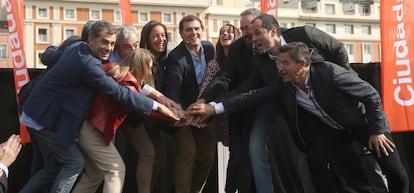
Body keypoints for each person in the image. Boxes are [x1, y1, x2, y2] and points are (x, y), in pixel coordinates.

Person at [189, 41, 410, 193]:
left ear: (302, 65)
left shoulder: (330, 73)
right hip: (336, 130)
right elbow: (252, 96)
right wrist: (214, 108)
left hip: (364, 124)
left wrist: (377, 130)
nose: (280, 68)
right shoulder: (284, 85)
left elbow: (370, 94)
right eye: (278, 63)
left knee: (395, 172)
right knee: (315, 159)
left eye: (285, 63)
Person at [18, 20, 177, 193]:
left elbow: (124, 83)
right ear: (91, 40)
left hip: (43, 114)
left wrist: (158, 97)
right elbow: (118, 91)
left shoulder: (79, 49)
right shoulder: (89, 63)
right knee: (78, 164)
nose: (109, 48)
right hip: (45, 118)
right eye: (104, 42)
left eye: (112, 43)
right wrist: (158, 106)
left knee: (58, 167)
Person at [72, 48, 180, 193]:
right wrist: (174, 118)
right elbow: (144, 110)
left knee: (95, 173)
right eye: (150, 65)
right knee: (115, 170)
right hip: (92, 128)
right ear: (142, 65)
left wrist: (168, 109)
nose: (152, 70)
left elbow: (141, 89)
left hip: (86, 124)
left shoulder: (116, 71)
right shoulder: (127, 82)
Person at [197, 8, 261, 193]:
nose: (247, 33)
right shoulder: (237, 48)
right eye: (243, 29)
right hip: (237, 111)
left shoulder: (272, 48)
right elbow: (223, 77)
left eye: (249, 27)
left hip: (262, 111)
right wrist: (203, 100)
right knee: (237, 158)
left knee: (256, 158)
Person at [163, 15, 215, 193]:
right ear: (181, 33)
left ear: (202, 29)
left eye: (196, 28)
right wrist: (183, 115)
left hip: (203, 113)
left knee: (207, 157)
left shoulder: (209, 48)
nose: (194, 32)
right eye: (188, 29)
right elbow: (172, 89)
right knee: (188, 154)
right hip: (181, 115)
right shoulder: (176, 57)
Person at [199, 23, 239, 146]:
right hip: (220, 113)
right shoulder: (214, 64)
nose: (225, 34)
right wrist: (199, 104)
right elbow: (207, 85)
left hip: (239, 109)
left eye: (229, 31)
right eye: (222, 32)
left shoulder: (242, 60)